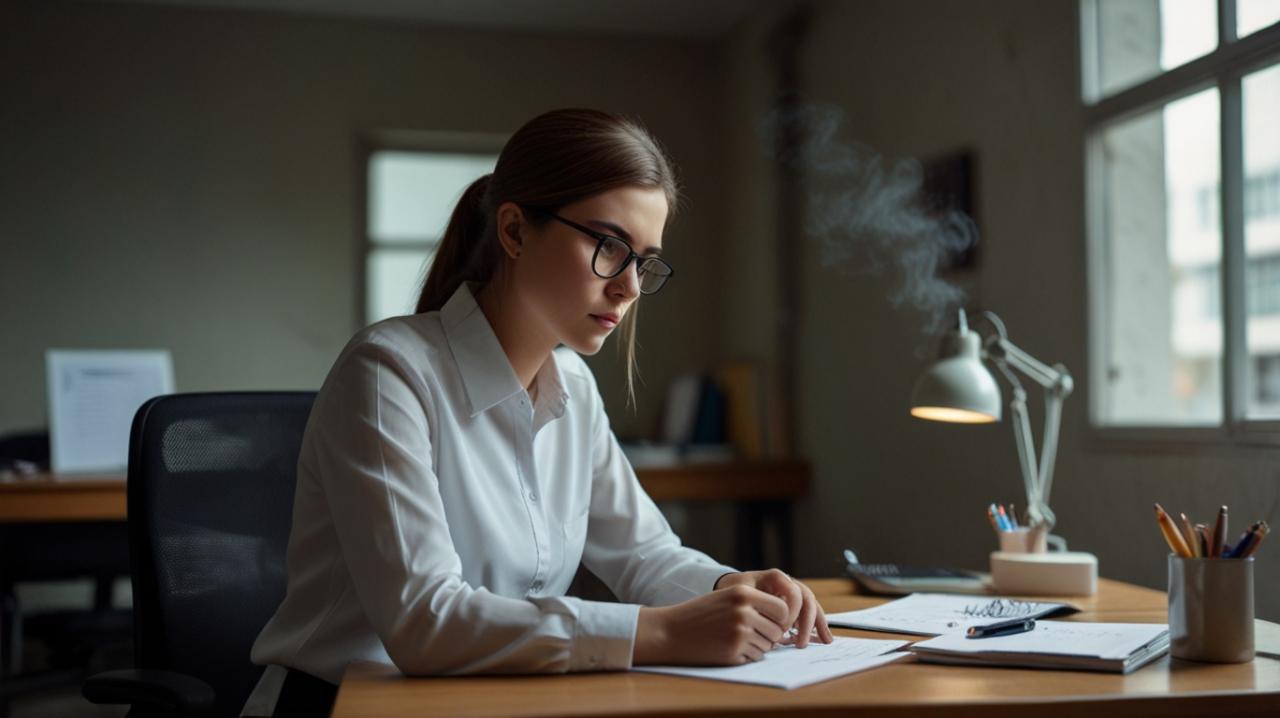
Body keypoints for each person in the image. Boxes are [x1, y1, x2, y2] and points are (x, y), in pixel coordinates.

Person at [244, 108, 833, 717]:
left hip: (489, 700)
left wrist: (729, 586)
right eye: (609, 246)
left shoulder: (573, 385)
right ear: (515, 231)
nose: (630, 286)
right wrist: (659, 631)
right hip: (339, 704)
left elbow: (643, 553)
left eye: (643, 260)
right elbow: (423, 621)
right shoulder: (388, 372)